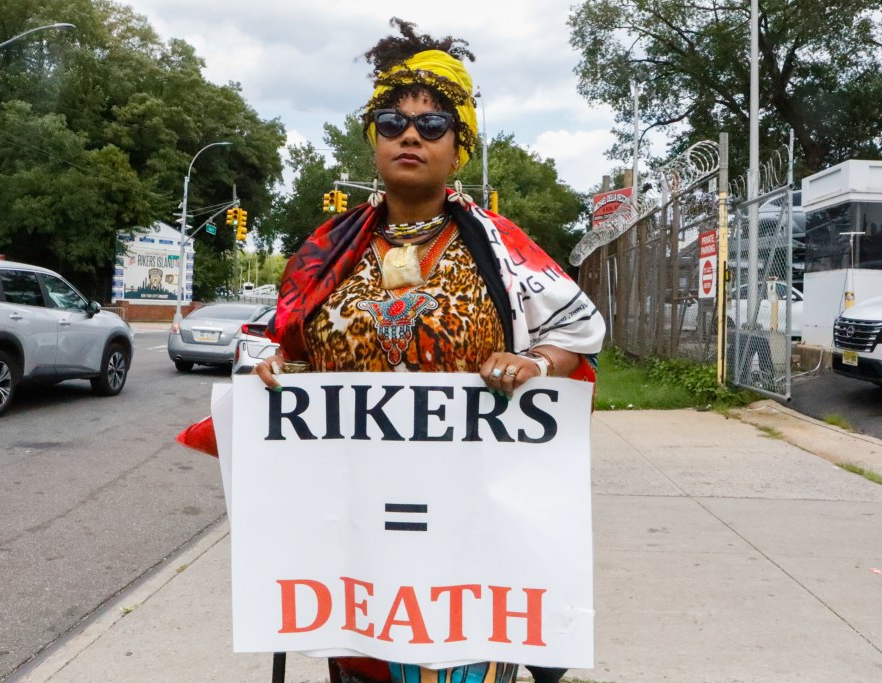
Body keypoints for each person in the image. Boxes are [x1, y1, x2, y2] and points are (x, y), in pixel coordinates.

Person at [184, 18, 605, 683]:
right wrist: (279, 368)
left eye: (432, 124)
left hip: (469, 542)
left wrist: (535, 364)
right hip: (356, 537)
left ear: (459, 146)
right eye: (392, 121)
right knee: (364, 661)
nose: (410, 135)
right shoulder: (328, 249)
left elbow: (579, 331)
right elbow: (284, 341)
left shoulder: (500, 248)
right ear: (373, 139)